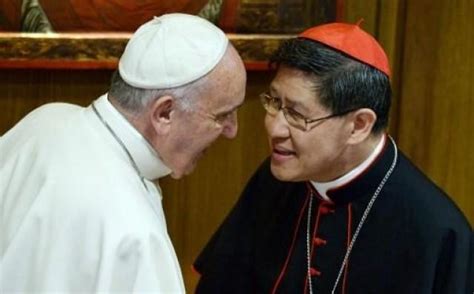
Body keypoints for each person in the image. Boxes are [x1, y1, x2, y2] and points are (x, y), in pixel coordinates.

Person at [193, 22, 473, 293]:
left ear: (359, 125)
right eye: (275, 103)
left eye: (297, 114)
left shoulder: (437, 230)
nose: (274, 127)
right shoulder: (273, 180)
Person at [0, 13, 246, 292]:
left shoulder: (43, 120)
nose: (232, 131)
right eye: (223, 115)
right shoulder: (134, 235)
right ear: (164, 113)